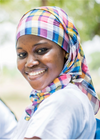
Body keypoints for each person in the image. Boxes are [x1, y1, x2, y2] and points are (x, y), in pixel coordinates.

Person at [12, 6, 100, 140]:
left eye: (41, 50)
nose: (29, 62)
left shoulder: (62, 101)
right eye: (22, 54)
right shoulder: (43, 100)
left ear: (66, 51)